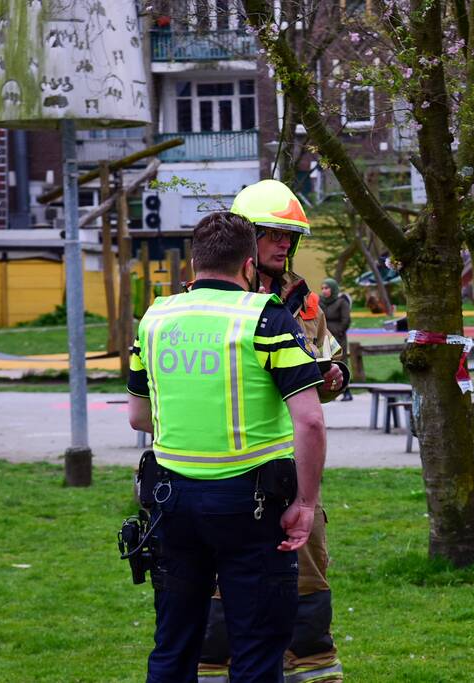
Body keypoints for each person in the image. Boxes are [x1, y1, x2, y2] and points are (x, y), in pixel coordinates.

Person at [126, 211, 327, 683]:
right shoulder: (266, 318)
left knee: (174, 644)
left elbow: (138, 416)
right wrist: (306, 503)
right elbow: (311, 422)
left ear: (195, 261)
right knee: (256, 650)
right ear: (248, 266)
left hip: (170, 503)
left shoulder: (155, 317)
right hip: (252, 507)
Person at [197, 180, 349, 683]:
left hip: (292, 470)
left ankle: (309, 670)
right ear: (246, 238)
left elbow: (323, 364)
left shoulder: (304, 304)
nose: (285, 244)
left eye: (291, 236)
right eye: (275, 234)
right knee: (222, 590)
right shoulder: (212, 302)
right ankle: (216, 671)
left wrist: (332, 377)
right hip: (231, 473)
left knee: (308, 581)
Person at [319, 278, 352, 402]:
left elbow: (346, 319)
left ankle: (346, 390)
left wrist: (339, 331)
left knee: (341, 362)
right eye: (322, 288)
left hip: (338, 338)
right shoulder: (319, 302)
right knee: (327, 363)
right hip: (325, 337)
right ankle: (329, 391)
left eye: (327, 288)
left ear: (333, 289)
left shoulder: (341, 302)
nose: (324, 291)